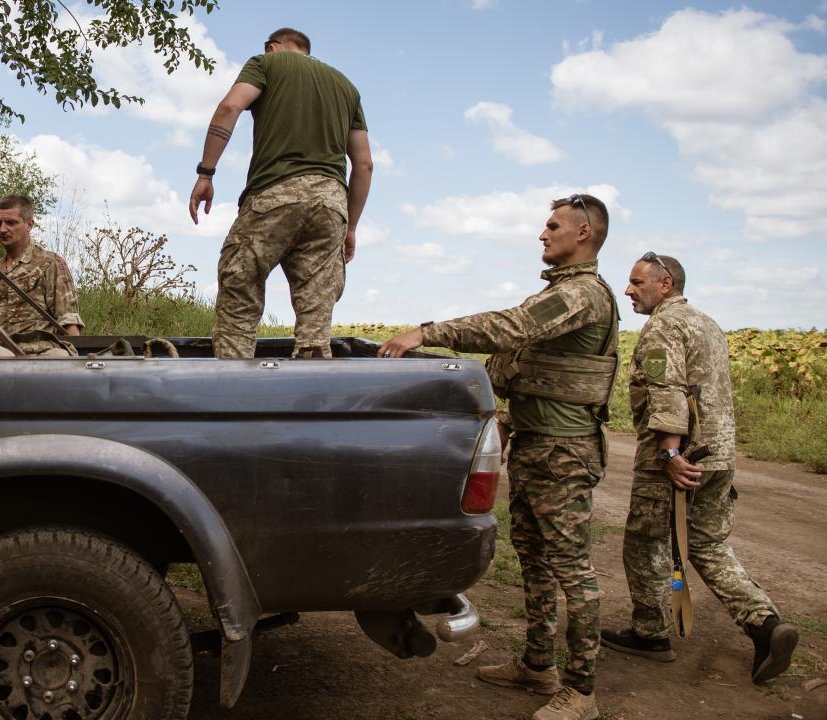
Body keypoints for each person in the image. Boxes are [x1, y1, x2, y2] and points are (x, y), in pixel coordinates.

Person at [378, 194, 618, 720]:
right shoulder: (564, 294)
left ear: (583, 234)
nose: (542, 234)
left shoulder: (582, 295)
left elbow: (512, 328)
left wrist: (428, 332)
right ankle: (538, 666)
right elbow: (536, 373)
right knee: (534, 560)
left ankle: (582, 690)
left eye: (553, 226)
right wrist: (508, 426)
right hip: (538, 447)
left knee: (572, 570)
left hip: (564, 454)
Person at [602, 252, 799, 683]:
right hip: (719, 456)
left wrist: (670, 455)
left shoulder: (663, 326)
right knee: (709, 545)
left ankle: (650, 632)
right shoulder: (707, 324)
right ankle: (765, 624)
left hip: (677, 459)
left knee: (644, 543)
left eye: (637, 282)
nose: (628, 290)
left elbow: (668, 391)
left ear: (665, 284)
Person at [188, 27, 373, 359]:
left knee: (239, 290)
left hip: (275, 193)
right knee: (316, 323)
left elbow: (229, 108)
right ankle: (311, 402)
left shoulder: (265, 63)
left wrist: (206, 172)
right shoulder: (347, 87)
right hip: (331, 203)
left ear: (273, 47)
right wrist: (352, 226)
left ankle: (230, 395)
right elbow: (364, 164)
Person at [0, 194, 83, 357]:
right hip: (0, 351)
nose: (2, 229)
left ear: (29, 225)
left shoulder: (51, 263)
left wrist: (75, 364)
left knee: (59, 358)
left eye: (11, 223)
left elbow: (68, 319)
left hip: (41, 350)